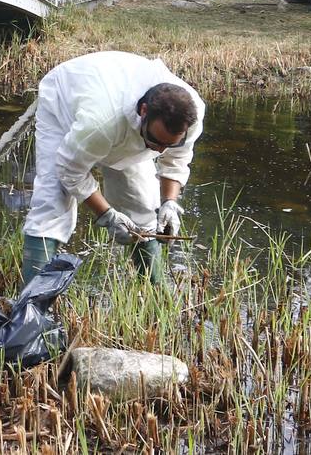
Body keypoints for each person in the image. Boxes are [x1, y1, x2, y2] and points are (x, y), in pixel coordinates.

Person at [21, 51, 205, 287]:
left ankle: (154, 291)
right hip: (64, 101)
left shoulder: (192, 115)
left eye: (169, 144)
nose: (160, 151)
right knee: (53, 202)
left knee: (142, 204)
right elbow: (70, 170)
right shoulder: (101, 123)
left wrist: (169, 202)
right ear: (144, 112)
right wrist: (107, 215)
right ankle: (32, 303)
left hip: (118, 111)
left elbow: (177, 158)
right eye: (155, 141)